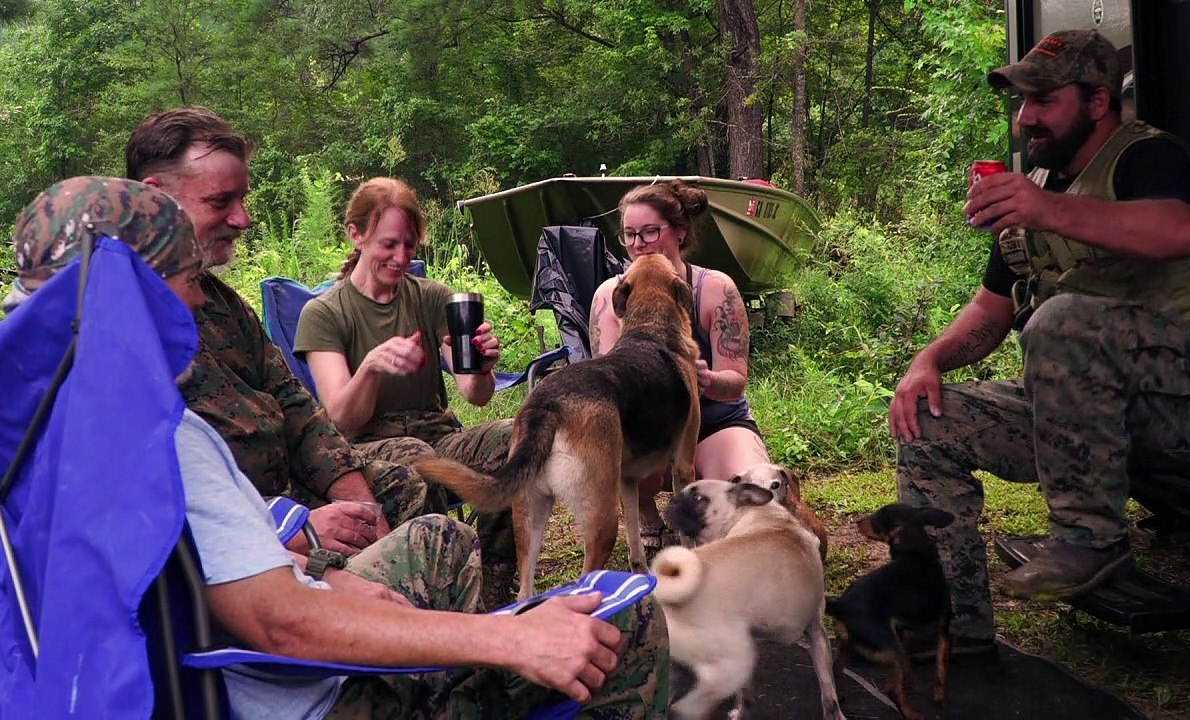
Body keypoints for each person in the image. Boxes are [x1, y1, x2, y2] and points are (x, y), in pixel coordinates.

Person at [7, 175, 670, 719]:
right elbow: (282, 623)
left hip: (247, 631)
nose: (195, 309)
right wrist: (508, 639)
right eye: (185, 286)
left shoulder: (42, 422)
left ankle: (498, 599)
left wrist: (328, 572)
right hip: (302, 688)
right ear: (135, 292)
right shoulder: (158, 438)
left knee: (447, 517)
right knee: (629, 616)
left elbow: (466, 396)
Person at [888, 29, 1190, 652]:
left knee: (1060, 321)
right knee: (927, 418)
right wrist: (928, 361)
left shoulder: (1147, 157)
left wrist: (1043, 209)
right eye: (1021, 102)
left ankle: (1091, 540)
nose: (1026, 117)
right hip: (1083, 417)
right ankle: (951, 618)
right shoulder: (1037, 186)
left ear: (1097, 101)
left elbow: (1181, 230)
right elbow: (990, 308)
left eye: (1044, 100)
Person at [125, 107, 517, 607]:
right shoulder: (115, 327)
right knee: (423, 501)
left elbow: (300, 411)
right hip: (239, 541)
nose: (243, 219)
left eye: (242, 199)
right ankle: (415, 630)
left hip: (296, 491)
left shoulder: (222, 304)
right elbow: (167, 500)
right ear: (157, 197)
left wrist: (355, 497)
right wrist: (293, 525)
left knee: (407, 485)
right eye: (222, 201)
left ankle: (476, 602)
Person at [292, 178, 520, 577]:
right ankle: (437, 580)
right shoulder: (325, 314)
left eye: (409, 246)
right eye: (388, 244)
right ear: (356, 235)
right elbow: (341, 422)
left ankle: (497, 578)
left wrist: (482, 368)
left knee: (512, 436)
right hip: (370, 447)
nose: (400, 257)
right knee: (417, 459)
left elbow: (475, 394)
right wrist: (371, 368)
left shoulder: (431, 297)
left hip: (437, 435)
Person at [587, 180, 769, 554]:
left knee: (752, 488)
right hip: (649, 424)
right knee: (624, 446)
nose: (639, 244)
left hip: (716, 419)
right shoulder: (611, 294)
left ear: (680, 232)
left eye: (650, 231)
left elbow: (736, 381)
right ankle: (648, 513)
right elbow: (605, 378)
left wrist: (708, 378)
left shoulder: (715, 288)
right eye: (629, 234)